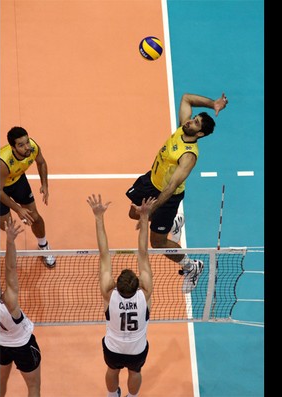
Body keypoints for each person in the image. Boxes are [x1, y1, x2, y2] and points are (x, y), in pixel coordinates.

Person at [126, 92, 228, 293]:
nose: (190, 122)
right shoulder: (184, 127)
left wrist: (149, 210)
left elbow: (171, 188)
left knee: (157, 243)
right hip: (151, 181)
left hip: (167, 196)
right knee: (132, 213)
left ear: (199, 134)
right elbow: (187, 98)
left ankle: (192, 266)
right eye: (194, 119)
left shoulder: (188, 156)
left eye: (196, 123)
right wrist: (213, 104)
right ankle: (173, 223)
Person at [87, 194, 155, 397]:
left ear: (117, 284)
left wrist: (98, 217)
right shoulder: (145, 293)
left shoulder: (108, 293)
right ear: (138, 283)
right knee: (135, 372)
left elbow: (104, 254)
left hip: (113, 347)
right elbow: (143, 253)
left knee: (112, 370)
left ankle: (112, 395)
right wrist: (144, 217)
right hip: (137, 348)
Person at [0, 126, 56, 268]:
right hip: (1, 186)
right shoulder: (3, 163)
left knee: (34, 217)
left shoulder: (33, 147)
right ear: (13, 147)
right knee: (7, 226)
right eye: (21, 145)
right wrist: (18, 209)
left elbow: (41, 162)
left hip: (17, 180)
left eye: (27, 142)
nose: (26, 147)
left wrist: (45, 185)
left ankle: (43, 246)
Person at [0, 218, 41, 397]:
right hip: (23, 345)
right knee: (33, 387)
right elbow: (10, 267)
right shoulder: (9, 302)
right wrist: (10, 240)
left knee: (1, 382)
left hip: (1, 345)